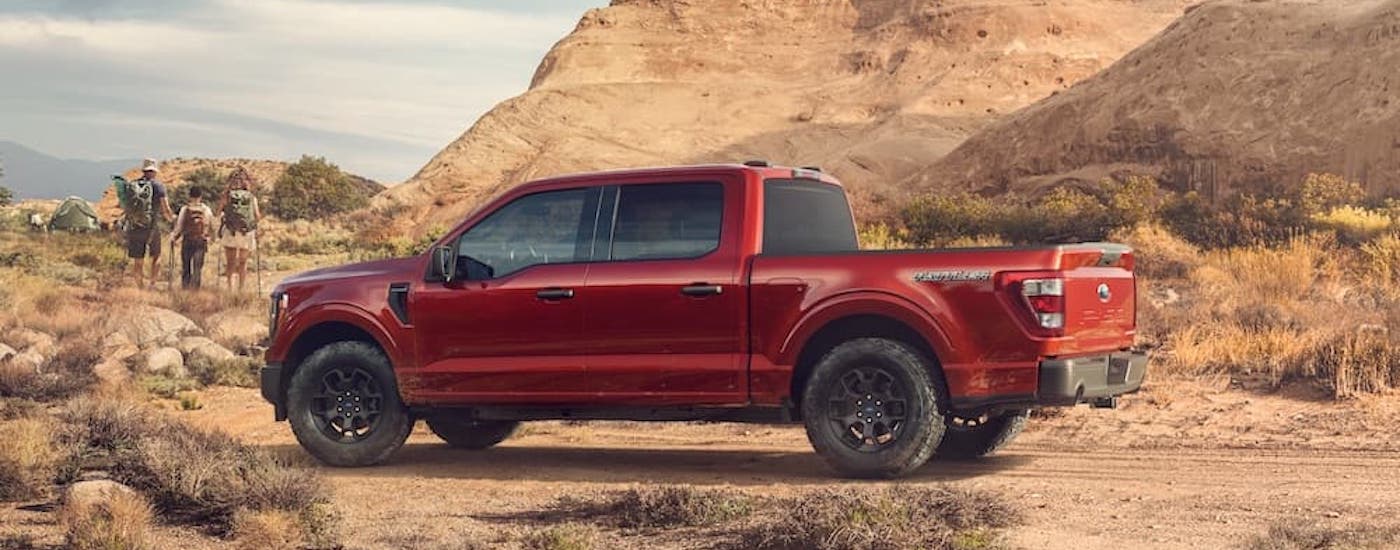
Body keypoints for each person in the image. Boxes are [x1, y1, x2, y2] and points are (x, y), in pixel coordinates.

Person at [120, 159, 175, 289]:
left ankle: (140, 287)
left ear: (143, 171)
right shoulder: (158, 186)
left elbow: (126, 206)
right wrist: (172, 220)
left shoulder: (134, 185)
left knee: (138, 260)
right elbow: (165, 207)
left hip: (135, 226)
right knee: (156, 256)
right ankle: (152, 285)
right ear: (154, 171)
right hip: (152, 227)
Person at [217, 168, 261, 291]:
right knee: (243, 263)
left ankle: (230, 288)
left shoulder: (227, 196)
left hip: (230, 231)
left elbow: (218, 212)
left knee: (230, 262)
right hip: (246, 233)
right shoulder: (251, 197)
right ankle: (241, 289)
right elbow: (257, 216)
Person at [171, 186, 213, 289]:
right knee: (197, 268)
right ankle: (195, 291)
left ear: (189, 196)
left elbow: (179, 226)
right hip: (200, 241)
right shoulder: (206, 209)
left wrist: (174, 238)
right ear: (201, 196)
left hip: (187, 240)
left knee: (186, 266)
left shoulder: (185, 209)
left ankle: (185, 289)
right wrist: (211, 238)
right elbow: (211, 225)